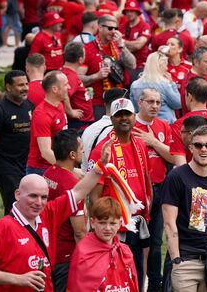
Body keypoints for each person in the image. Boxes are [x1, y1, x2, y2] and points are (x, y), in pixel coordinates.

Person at [0, 143, 111, 292]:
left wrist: (100, 165)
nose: (39, 202)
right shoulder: (2, 227)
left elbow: (78, 192)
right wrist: (19, 279)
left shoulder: (48, 213)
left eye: (44, 197)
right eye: (33, 196)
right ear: (17, 194)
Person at [88, 97, 153, 291]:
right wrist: (102, 228)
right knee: (115, 277)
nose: (124, 118)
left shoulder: (140, 145)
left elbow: (145, 178)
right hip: (115, 227)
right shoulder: (103, 150)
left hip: (137, 222)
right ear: (112, 119)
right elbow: (94, 196)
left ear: (134, 117)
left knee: (137, 273)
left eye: (127, 114)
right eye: (119, 115)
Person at [162, 125, 207, 292]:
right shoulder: (176, 177)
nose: (204, 149)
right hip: (185, 261)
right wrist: (176, 260)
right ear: (191, 148)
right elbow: (169, 223)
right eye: (198, 145)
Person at [133, 88, 177, 292]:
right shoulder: (131, 124)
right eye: (150, 101)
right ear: (140, 102)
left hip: (160, 189)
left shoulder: (163, 126)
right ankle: (135, 281)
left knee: (157, 239)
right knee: (137, 239)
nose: (155, 106)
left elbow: (173, 156)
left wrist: (153, 142)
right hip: (137, 191)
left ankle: (155, 284)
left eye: (158, 102)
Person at [0, 70, 33, 214]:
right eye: (20, 85)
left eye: (26, 84)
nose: (25, 88)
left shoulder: (29, 105)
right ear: (9, 87)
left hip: (25, 166)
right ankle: (5, 235)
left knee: (24, 207)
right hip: (5, 169)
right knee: (16, 207)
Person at [42, 129, 86, 292]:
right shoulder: (72, 187)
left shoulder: (49, 173)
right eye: (81, 148)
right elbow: (80, 231)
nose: (83, 150)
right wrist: (86, 260)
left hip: (50, 249)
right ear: (72, 155)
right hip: (66, 256)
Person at [67, 197, 139, 292]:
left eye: (113, 223)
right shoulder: (84, 251)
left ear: (120, 223)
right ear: (92, 223)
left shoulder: (125, 251)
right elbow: (78, 287)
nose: (108, 228)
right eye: (102, 223)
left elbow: (132, 284)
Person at [84, 14, 136, 119]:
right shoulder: (87, 48)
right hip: (99, 103)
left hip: (119, 100)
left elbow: (132, 65)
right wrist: (96, 76)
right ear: (100, 27)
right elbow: (78, 78)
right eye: (110, 28)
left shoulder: (118, 46)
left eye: (116, 28)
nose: (113, 31)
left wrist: (122, 45)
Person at [27, 71, 69, 175]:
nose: (69, 87)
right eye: (65, 84)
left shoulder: (59, 105)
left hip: (57, 164)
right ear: (55, 89)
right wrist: (69, 169)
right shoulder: (42, 114)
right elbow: (45, 152)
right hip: (42, 169)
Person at [130, 50, 182, 124]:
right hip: (164, 125)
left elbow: (134, 108)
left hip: (142, 124)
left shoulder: (135, 85)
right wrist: (172, 83)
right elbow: (178, 104)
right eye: (165, 65)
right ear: (159, 66)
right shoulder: (164, 84)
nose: (167, 68)